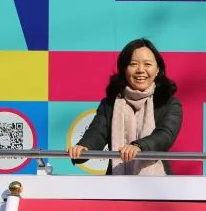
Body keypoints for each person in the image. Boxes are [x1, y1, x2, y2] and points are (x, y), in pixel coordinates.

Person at [67, 38, 182, 175]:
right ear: (124, 69)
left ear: (157, 69)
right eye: (133, 64)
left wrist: (139, 146)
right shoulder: (110, 103)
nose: (140, 70)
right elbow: (97, 133)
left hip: (157, 184)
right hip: (116, 183)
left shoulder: (169, 103)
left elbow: (165, 135)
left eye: (147, 64)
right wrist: (84, 147)